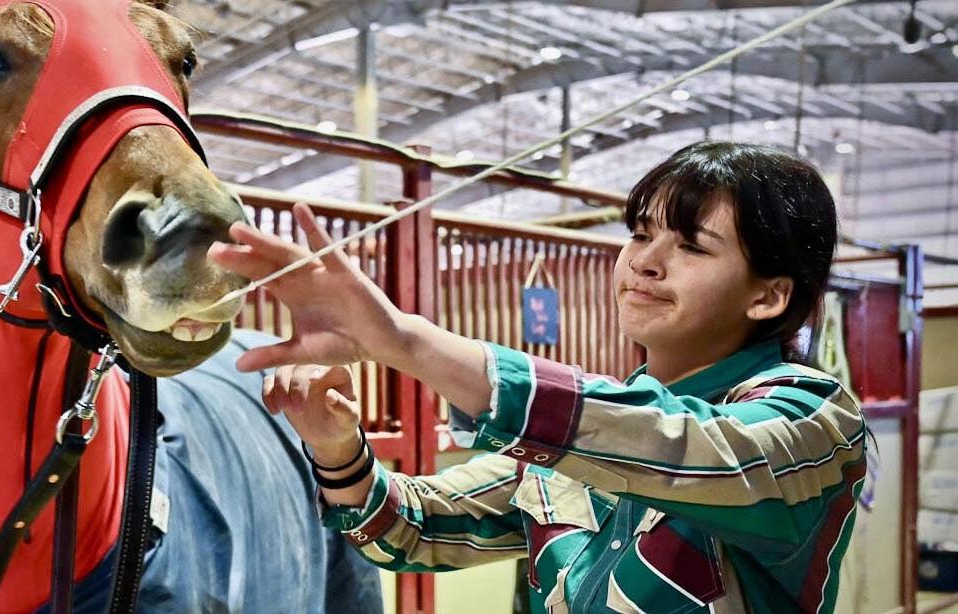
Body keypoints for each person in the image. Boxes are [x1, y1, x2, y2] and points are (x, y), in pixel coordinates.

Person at [208, 141, 866, 613]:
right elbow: (415, 529)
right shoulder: (576, 447)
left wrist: (407, 341)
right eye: (640, 235)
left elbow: (677, 446)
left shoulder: (811, 422)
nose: (644, 263)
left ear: (767, 296)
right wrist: (334, 448)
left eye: (690, 246)